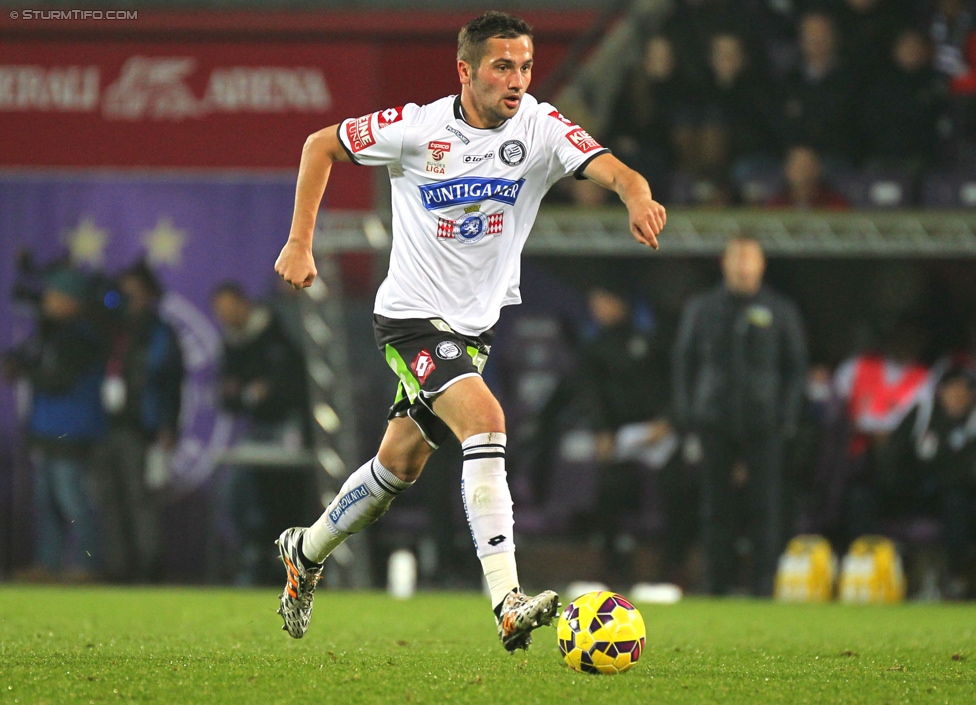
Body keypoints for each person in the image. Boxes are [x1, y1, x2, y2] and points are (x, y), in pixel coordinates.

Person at [272, 11, 666, 650]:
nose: (518, 80)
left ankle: (306, 550)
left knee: (396, 467)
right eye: (503, 67)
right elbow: (320, 144)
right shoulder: (416, 127)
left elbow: (615, 169)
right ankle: (508, 600)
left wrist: (637, 195)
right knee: (486, 420)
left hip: (470, 332)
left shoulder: (540, 127)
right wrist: (299, 243)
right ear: (466, 71)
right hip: (409, 317)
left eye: (526, 67)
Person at [672, 237, 807, 596]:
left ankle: (765, 586)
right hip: (713, 422)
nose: (743, 266)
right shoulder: (702, 309)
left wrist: (787, 419)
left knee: (766, 509)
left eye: (750, 259)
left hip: (765, 426)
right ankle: (716, 586)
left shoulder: (780, 310)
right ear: (725, 263)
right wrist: (688, 416)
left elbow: (796, 369)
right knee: (715, 510)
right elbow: (684, 363)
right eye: (737, 259)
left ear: (761, 265)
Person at [578, 287, 693, 588]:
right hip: (621, 439)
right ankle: (614, 569)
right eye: (594, 302)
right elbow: (591, 394)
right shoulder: (594, 347)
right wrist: (602, 431)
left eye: (604, 300)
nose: (598, 308)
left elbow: (676, 382)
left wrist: (668, 420)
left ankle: (674, 568)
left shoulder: (652, 339)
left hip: (659, 434)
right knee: (607, 490)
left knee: (680, 489)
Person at [1, 267, 105, 581]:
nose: (47, 301)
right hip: (47, 428)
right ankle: (49, 564)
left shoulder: (81, 335)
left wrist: (24, 372)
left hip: (73, 429)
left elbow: (59, 378)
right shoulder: (51, 333)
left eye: (55, 296)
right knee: (47, 503)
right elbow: (30, 360)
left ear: (73, 301)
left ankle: (88, 565)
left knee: (73, 501)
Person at [211, 282, 313, 585]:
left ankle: (287, 558)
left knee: (284, 492)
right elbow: (229, 399)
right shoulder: (231, 344)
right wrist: (234, 393)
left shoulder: (278, 328)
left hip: (289, 425)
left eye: (230, 308)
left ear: (244, 303)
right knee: (237, 490)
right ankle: (251, 552)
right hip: (257, 429)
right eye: (221, 313)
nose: (227, 317)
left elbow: (299, 380)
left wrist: (272, 389)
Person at [91, 261, 183, 583]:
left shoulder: (159, 332)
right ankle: (117, 567)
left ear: (148, 294)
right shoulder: (112, 329)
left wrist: (169, 427)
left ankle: (149, 568)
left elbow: (172, 381)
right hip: (104, 426)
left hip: (141, 428)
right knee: (108, 500)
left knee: (140, 499)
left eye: (135, 292)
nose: (128, 298)